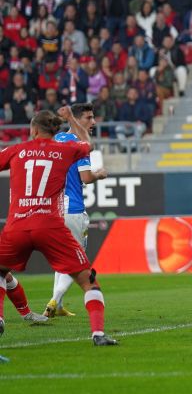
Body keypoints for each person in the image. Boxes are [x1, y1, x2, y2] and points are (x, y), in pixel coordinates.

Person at [0, 108, 112, 344]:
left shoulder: (16, 150)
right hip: (50, 225)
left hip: (17, 225)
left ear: (33, 130)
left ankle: (0, 319)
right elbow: (87, 144)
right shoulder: (65, 149)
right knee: (87, 280)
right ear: (55, 130)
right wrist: (71, 119)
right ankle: (98, 334)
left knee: (1, 271)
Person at [44, 103, 109, 320]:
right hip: (72, 209)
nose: (93, 122)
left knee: (62, 258)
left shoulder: (57, 139)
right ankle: (54, 299)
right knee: (76, 260)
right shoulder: (80, 145)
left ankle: (59, 304)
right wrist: (99, 174)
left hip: (52, 209)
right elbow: (86, 178)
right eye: (89, 118)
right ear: (77, 119)